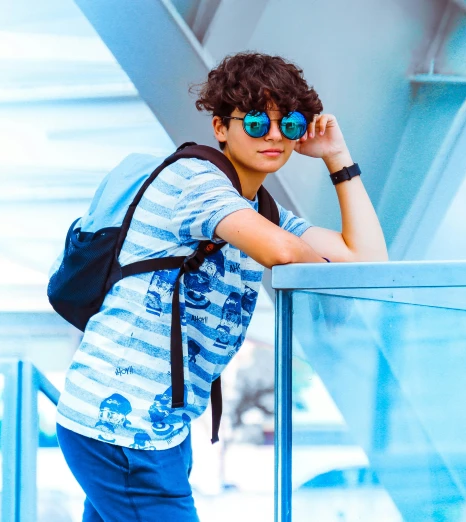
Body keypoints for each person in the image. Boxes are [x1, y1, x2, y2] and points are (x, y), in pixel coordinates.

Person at [54, 51, 389, 521]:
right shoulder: (196, 180)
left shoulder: (260, 210)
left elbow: (368, 262)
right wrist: (318, 268)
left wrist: (338, 157)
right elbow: (283, 253)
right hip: (123, 430)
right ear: (220, 127)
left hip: (157, 428)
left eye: (289, 124)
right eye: (256, 122)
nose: (274, 135)